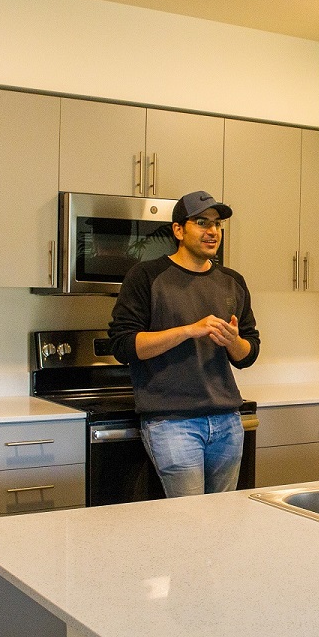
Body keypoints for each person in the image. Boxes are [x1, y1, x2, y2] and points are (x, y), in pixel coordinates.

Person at [108, 190, 260, 497]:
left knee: (225, 518)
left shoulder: (233, 281)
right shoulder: (147, 276)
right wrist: (189, 330)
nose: (212, 231)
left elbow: (248, 354)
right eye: (202, 222)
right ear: (178, 230)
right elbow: (123, 346)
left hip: (227, 421)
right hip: (171, 422)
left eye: (217, 224)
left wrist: (233, 342)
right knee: (189, 522)